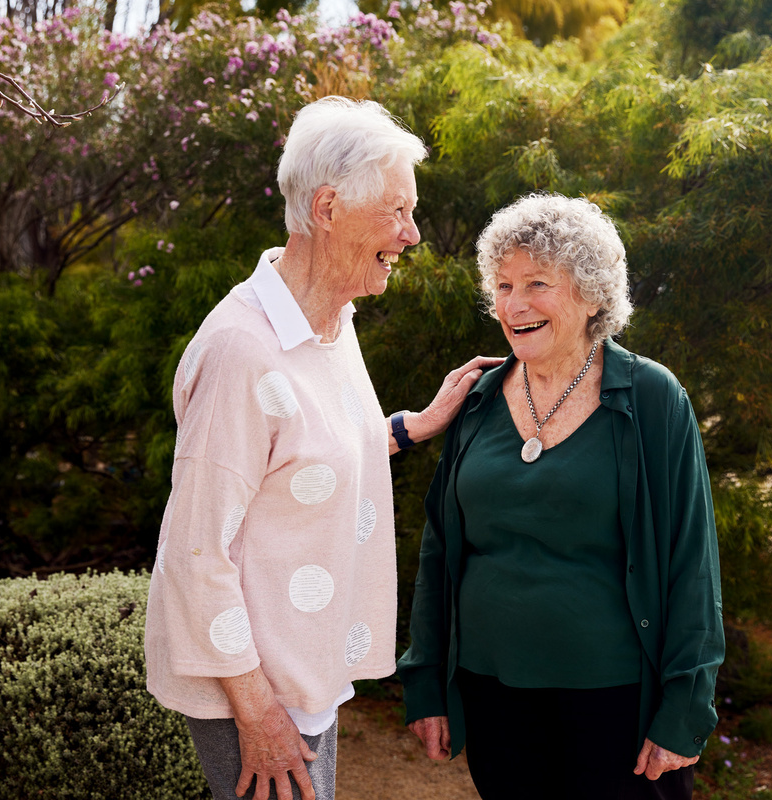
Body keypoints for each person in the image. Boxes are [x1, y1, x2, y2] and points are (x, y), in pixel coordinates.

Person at [144, 96, 500, 800]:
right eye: (398, 211)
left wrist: (411, 426)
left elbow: (307, 459)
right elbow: (195, 552)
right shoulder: (242, 351)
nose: (412, 234)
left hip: (305, 671)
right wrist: (257, 714)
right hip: (256, 689)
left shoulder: (330, 322)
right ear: (329, 209)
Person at [397, 193, 725, 799]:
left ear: (592, 295)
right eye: (503, 286)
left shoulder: (651, 398)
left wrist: (684, 709)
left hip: (615, 701)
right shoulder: (477, 399)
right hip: (493, 696)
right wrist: (425, 679)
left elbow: (692, 563)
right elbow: (439, 552)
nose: (513, 305)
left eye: (537, 284)